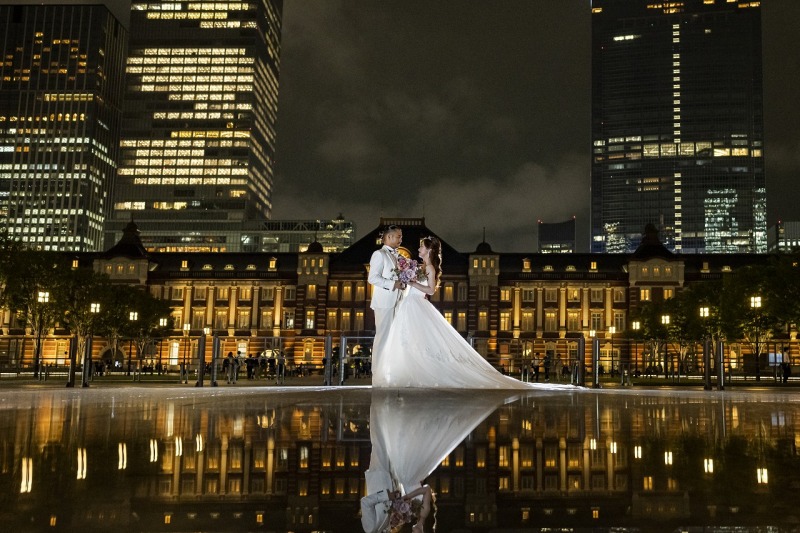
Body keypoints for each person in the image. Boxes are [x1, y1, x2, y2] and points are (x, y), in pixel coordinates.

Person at [373, 237, 572, 390]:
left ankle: (419, 375)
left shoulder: (431, 268)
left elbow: (431, 291)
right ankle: (406, 374)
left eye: (421, 247)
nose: (418, 249)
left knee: (418, 341)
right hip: (409, 305)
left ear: (429, 250)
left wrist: (412, 282)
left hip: (416, 305)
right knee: (407, 341)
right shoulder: (419, 266)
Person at [368, 225, 405, 371]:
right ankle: (377, 372)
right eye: (399, 237)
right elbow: (372, 278)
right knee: (382, 337)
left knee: (395, 338)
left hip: (399, 301)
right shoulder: (379, 254)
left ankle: (390, 370)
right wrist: (393, 284)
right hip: (384, 303)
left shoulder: (399, 256)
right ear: (389, 237)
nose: (401, 240)